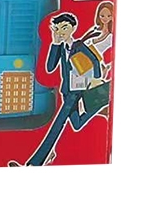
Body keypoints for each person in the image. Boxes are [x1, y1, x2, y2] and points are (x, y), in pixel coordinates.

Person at [9, 13, 105, 167]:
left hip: (78, 90)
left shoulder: (79, 46)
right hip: (67, 90)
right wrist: (55, 43)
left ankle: (34, 163)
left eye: (65, 28)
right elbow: (50, 67)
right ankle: (99, 104)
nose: (61, 32)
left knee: (57, 125)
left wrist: (96, 79)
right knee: (77, 124)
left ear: (73, 28)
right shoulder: (60, 48)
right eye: (58, 29)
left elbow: (95, 61)